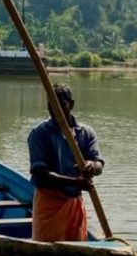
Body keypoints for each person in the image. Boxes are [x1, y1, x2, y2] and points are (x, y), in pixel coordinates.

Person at [28, 84, 103, 242]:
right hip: (48, 204)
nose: (55, 110)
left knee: (77, 245)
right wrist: (76, 182)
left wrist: (91, 166)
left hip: (73, 202)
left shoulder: (86, 133)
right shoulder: (39, 133)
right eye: (51, 105)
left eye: (61, 105)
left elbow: (99, 164)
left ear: (72, 104)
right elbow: (40, 173)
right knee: (46, 247)